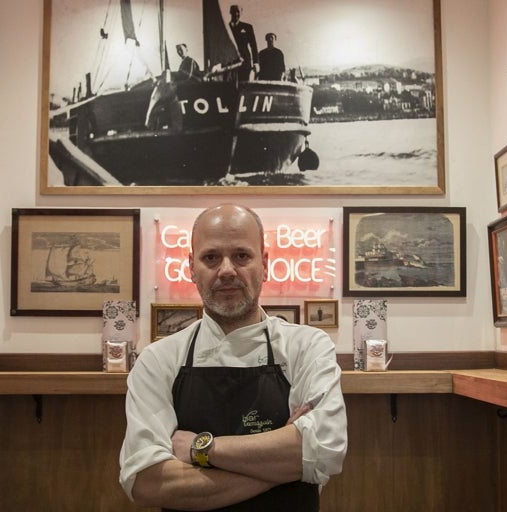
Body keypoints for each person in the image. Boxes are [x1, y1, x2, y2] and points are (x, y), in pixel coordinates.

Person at [119, 204, 347, 511]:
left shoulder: (306, 347)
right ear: (191, 267)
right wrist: (288, 466)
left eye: (241, 255)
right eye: (211, 257)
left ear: (264, 264)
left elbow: (327, 451)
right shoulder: (158, 360)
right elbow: (148, 482)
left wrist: (202, 448)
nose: (226, 270)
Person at [228, 5, 258, 82]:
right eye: (234, 11)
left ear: (241, 13)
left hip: (245, 62)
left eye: (238, 11)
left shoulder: (247, 27)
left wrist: (256, 62)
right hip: (229, 62)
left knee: (243, 84)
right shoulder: (226, 28)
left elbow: (253, 46)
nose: (236, 14)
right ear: (230, 12)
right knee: (229, 86)